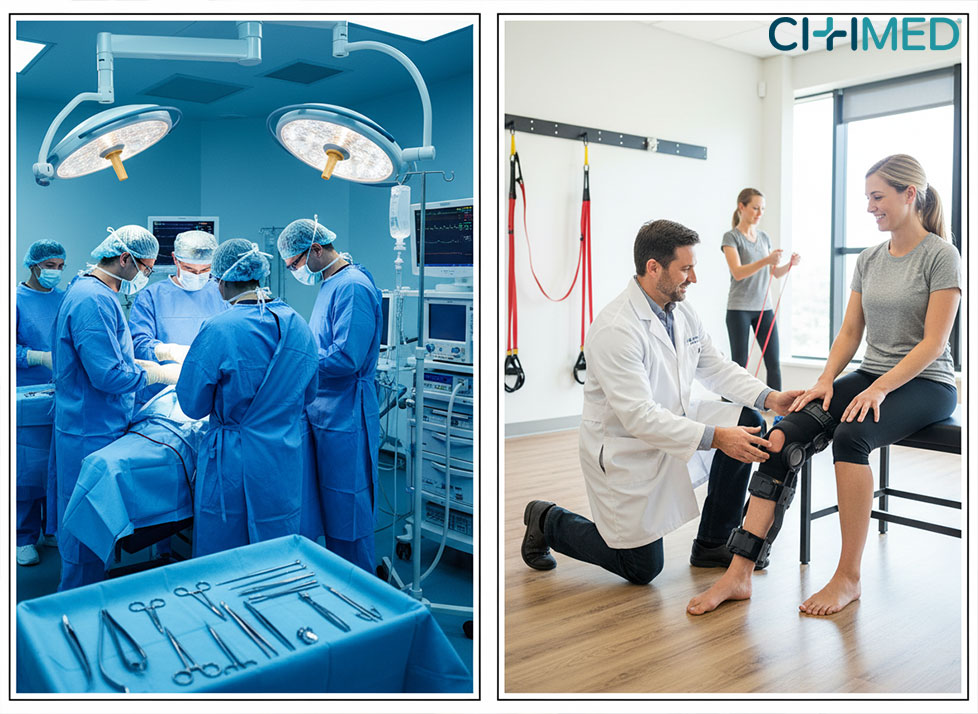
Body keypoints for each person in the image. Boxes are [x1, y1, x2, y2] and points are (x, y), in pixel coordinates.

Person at [688, 155, 960, 616]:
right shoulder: (870, 258)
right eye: (867, 198)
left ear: (909, 194)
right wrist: (826, 381)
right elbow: (850, 332)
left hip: (926, 382)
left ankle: (848, 577)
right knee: (782, 435)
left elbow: (934, 344)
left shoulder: (941, 255)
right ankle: (739, 573)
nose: (870, 207)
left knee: (852, 436)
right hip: (871, 374)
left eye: (878, 197)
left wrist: (878, 390)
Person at [520, 219, 803, 585]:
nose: (694, 278)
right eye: (685, 269)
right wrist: (717, 438)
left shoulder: (682, 312)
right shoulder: (616, 329)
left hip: (672, 422)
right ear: (653, 268)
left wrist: (771, 397)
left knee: (747, 420)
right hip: (626, 448)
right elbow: (638, 416)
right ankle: (546, 519)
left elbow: (714, 365)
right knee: (641, 568)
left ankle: (713, 542)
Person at [51, 226, 180, 590]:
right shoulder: (93, 299)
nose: (143, 276)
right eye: (144, 268)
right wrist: (154, 375)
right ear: (125, 259)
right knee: (87, 527)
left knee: (88, 521)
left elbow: (109, 358)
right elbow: (107, 375)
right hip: (90, 427)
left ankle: (87, 592)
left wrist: (143, 364)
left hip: (90, 420)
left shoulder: (91, 291)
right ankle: (77, 604)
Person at [176, 239, 318, 558]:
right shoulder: (298, 324)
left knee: (226, 549)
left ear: (223, 279)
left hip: (233, 459)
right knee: (277, 540)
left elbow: (192, 405)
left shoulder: (218, 329)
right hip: (282, 454)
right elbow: (309, 393)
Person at [277, 217, 383, 573]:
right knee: (326, 505)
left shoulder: (352, 286)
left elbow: (346, 357)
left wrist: (296, 360)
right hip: (325, 411)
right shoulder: (329, 282)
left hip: (347, 414)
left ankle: (362, 592)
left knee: (347, 512)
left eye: (295, 264)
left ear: (317, 250)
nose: (295, 271)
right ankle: (335, 583)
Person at [130, 229, 227, 405]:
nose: (197, 275)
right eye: (189, 269)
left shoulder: (224, 294)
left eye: (206, 269)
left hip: (211, 396)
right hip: (160, 398)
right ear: (175, 259)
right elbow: (138, 344)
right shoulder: (151, 296)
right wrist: (169, 352)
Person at [16, 239, 66, 566]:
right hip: (25, 397)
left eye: (61, 267)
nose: (56, 272)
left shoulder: (65, 299)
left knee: (55, 466)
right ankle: (22, 535)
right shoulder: (14, 300)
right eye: (50, 266)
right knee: (27, 471)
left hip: (62, 394)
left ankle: (52, 529)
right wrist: (36, 356)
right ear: (34, 265)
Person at [721, 188, 800, 390]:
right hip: (739, 309)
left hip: (765, 309)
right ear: (742, 207)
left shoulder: (764, 238)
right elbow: (738, 272)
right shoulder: (731, 238)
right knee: (739, 365)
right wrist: (766, 259)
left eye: (762, 209)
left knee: (773, 363)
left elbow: (774, 272)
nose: (759, 213)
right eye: (755, 208)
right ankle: (735, 407)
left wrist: (789, 264)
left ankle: (778, 408)